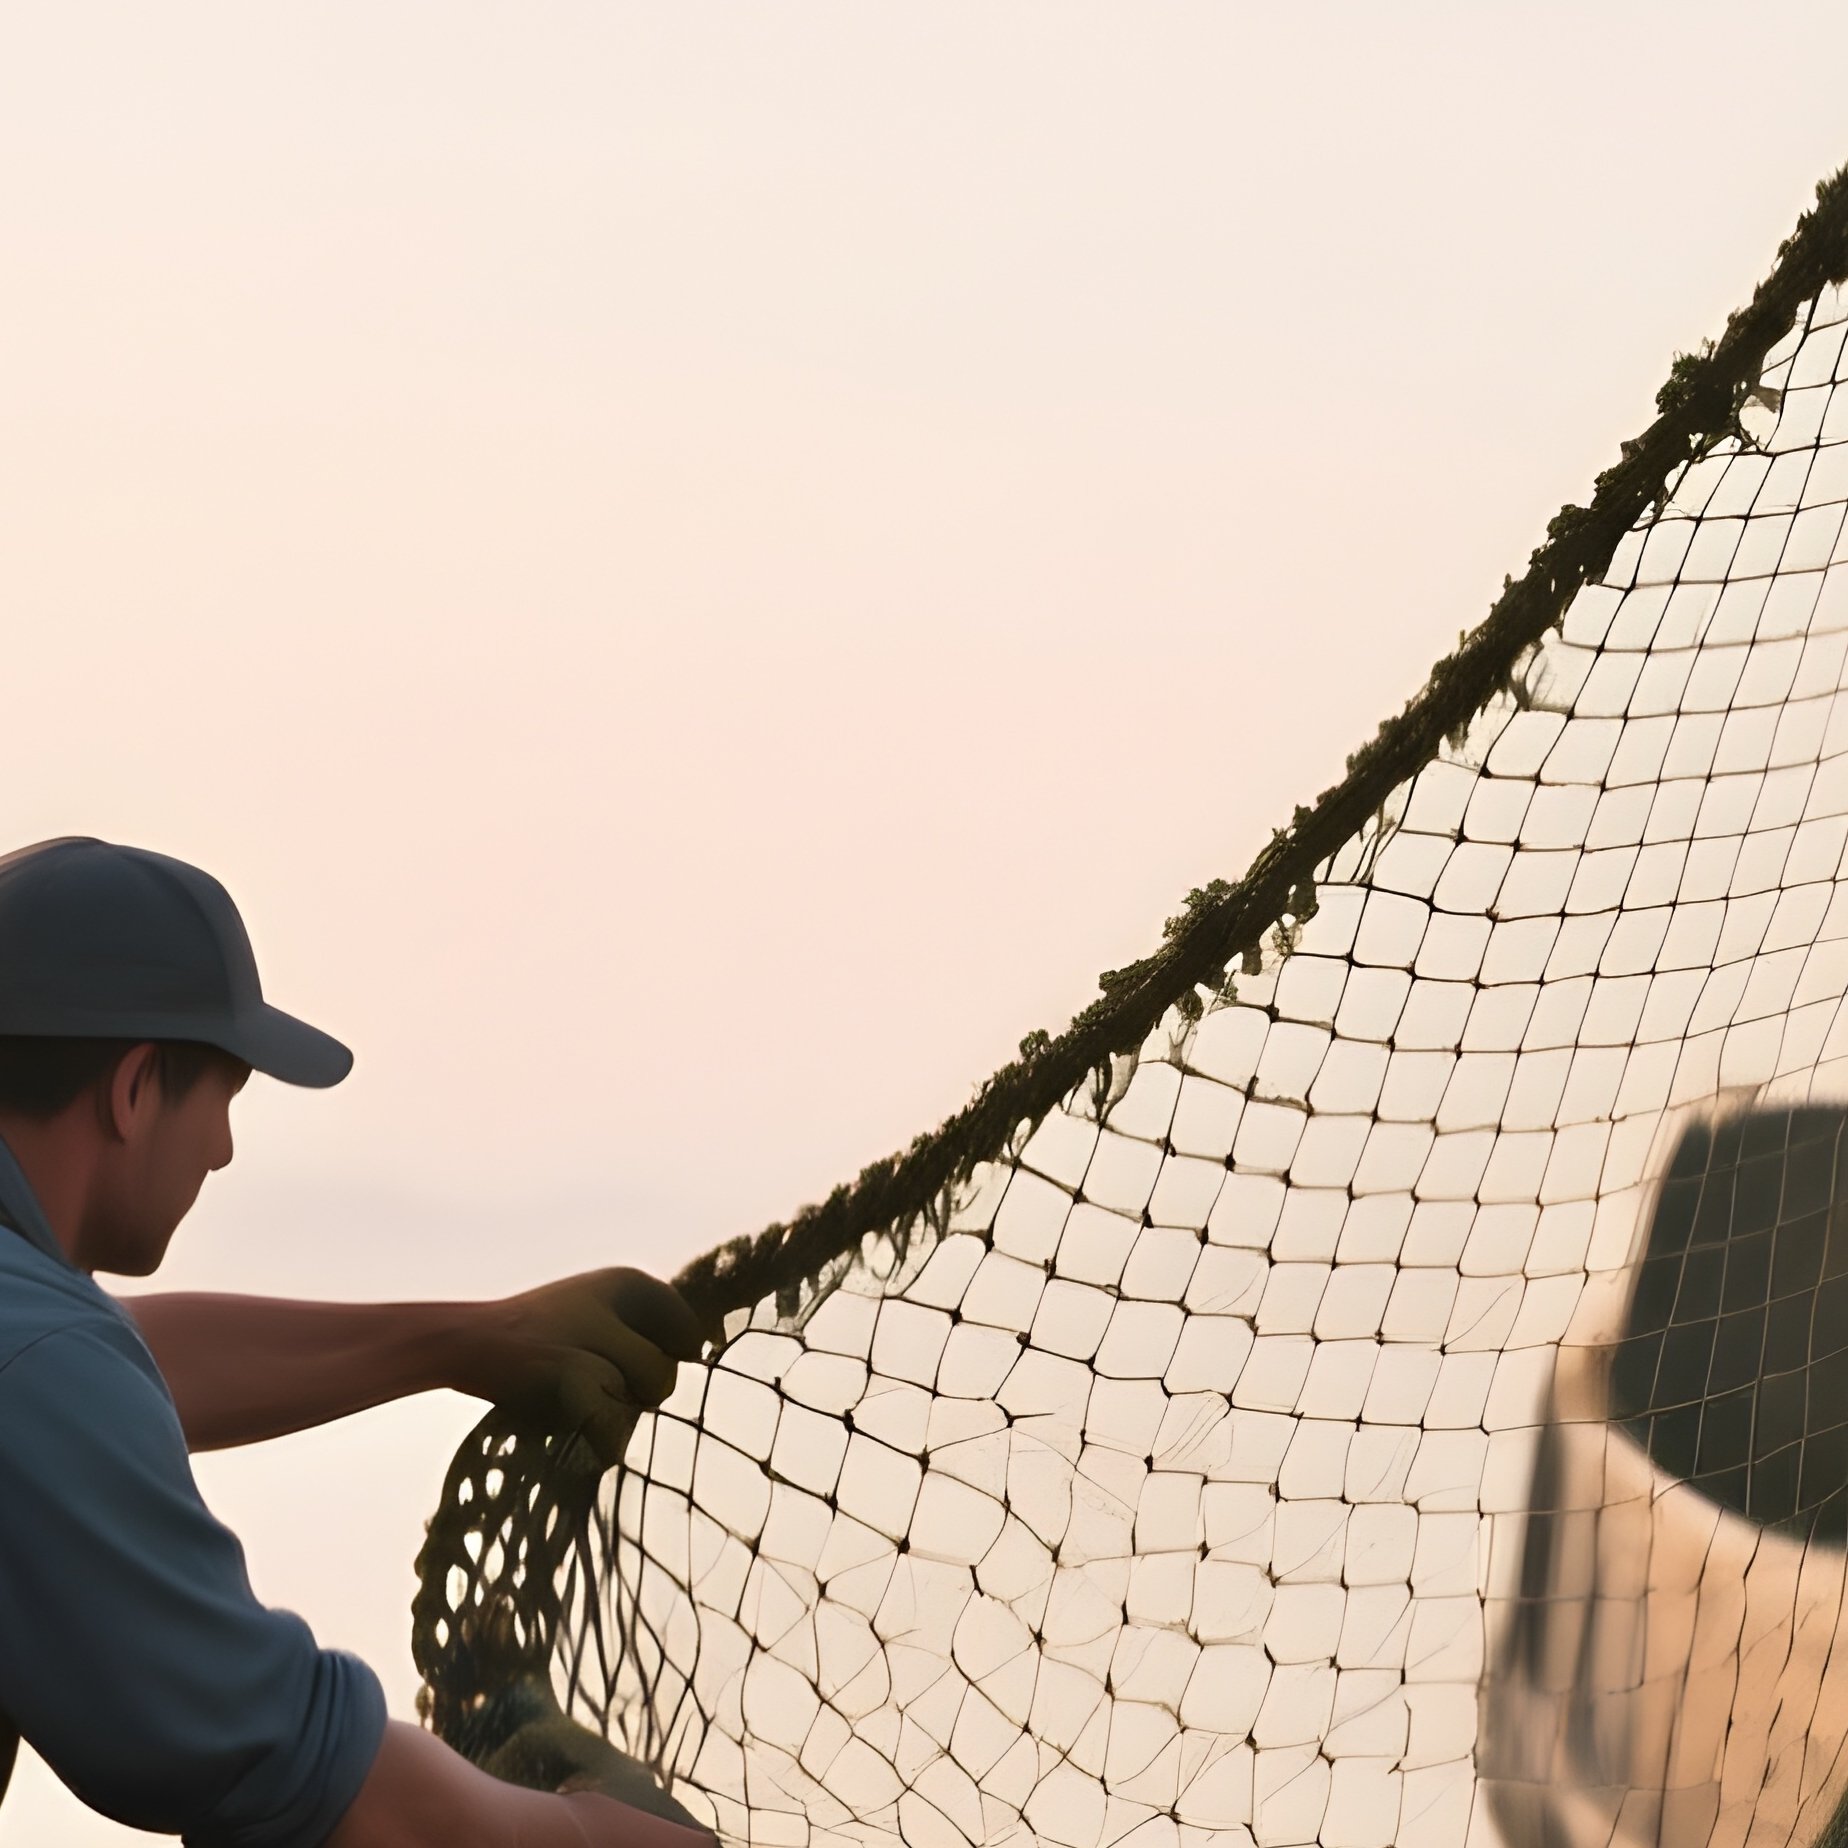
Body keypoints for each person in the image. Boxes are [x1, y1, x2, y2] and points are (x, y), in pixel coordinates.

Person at [0, 835, 718, 1848]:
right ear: (133, 1088)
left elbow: (109, 1360)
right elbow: (327, 1790)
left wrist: (468, 1339)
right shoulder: (37, 1373)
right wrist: (607, 1835)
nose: (224, 1150)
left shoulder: (32, 1337)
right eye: (225, 1099)